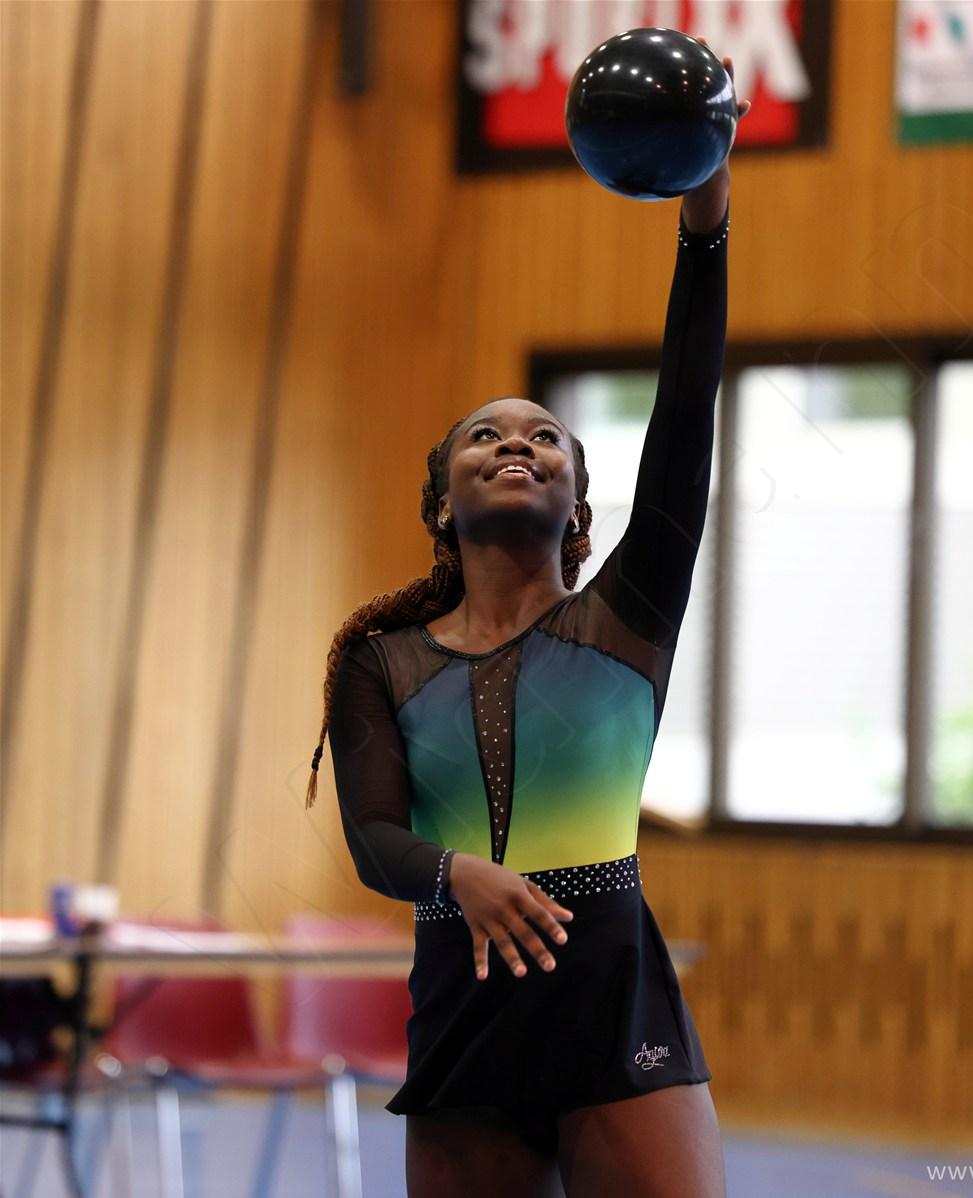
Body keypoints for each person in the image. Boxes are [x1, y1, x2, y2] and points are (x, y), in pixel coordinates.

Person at [305, 50, 749, 1198]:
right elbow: (374, 838)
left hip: (617, 1008)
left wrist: (706, 216)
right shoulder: (381, 660)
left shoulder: (629, 618)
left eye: (545, 437)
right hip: (468, 1014)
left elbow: (688, 406)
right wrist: (460, 873)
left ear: (578, 501)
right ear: (441, 502)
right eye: (486, 436)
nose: (517, 442)